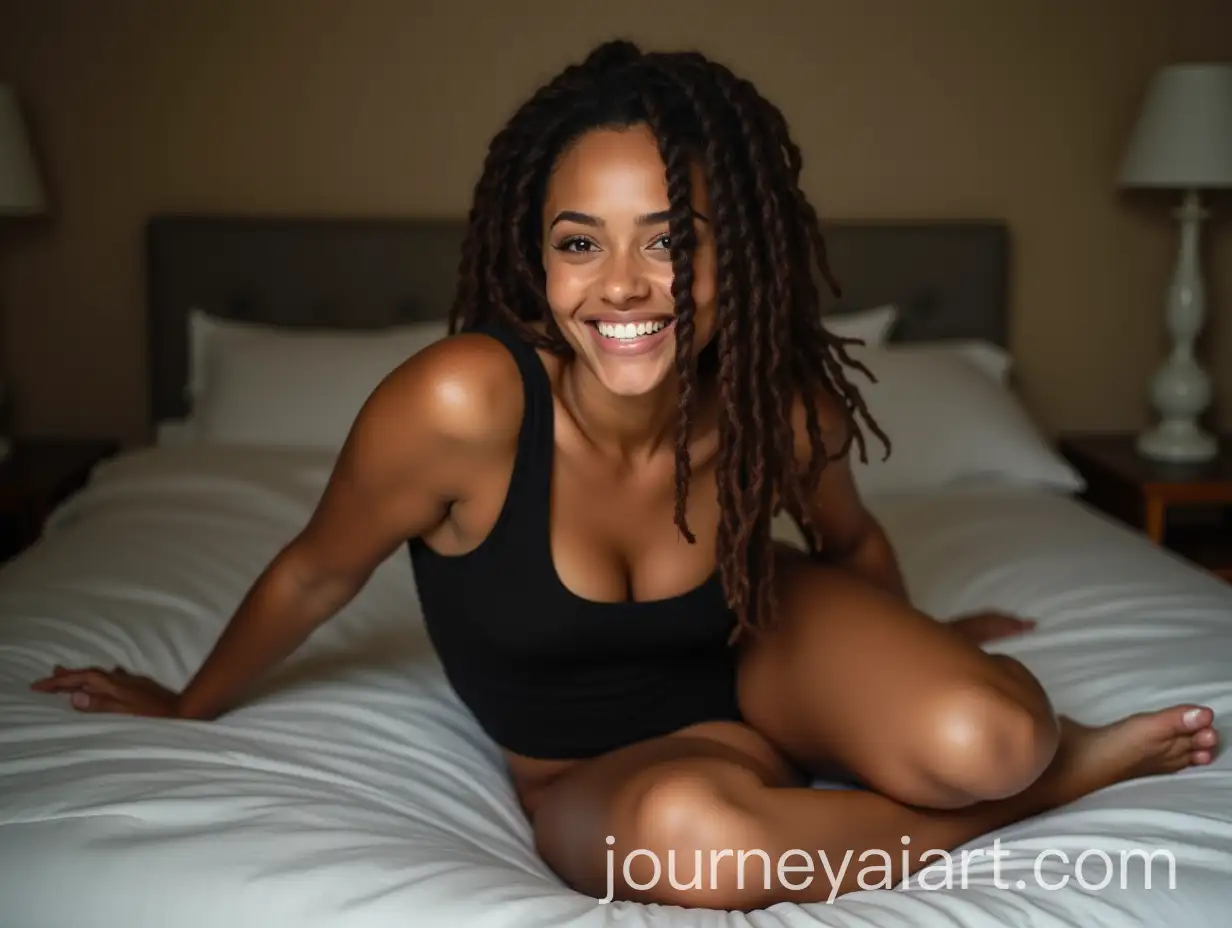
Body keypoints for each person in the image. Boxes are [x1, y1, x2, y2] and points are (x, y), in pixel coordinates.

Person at [32, 40, 1217, 911]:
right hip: (592, 766)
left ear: (729, 253)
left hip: (768, 656)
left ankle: (1015, 766)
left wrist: (907, 639)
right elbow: (311, 574)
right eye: (579, 242)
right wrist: (187, 702)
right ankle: (1051, 788)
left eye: (670, 239)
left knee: (993, 729)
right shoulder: (457, 405)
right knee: (695, 851)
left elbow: (847, 546)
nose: (625, 286)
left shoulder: (771, 405)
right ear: (531, 253)